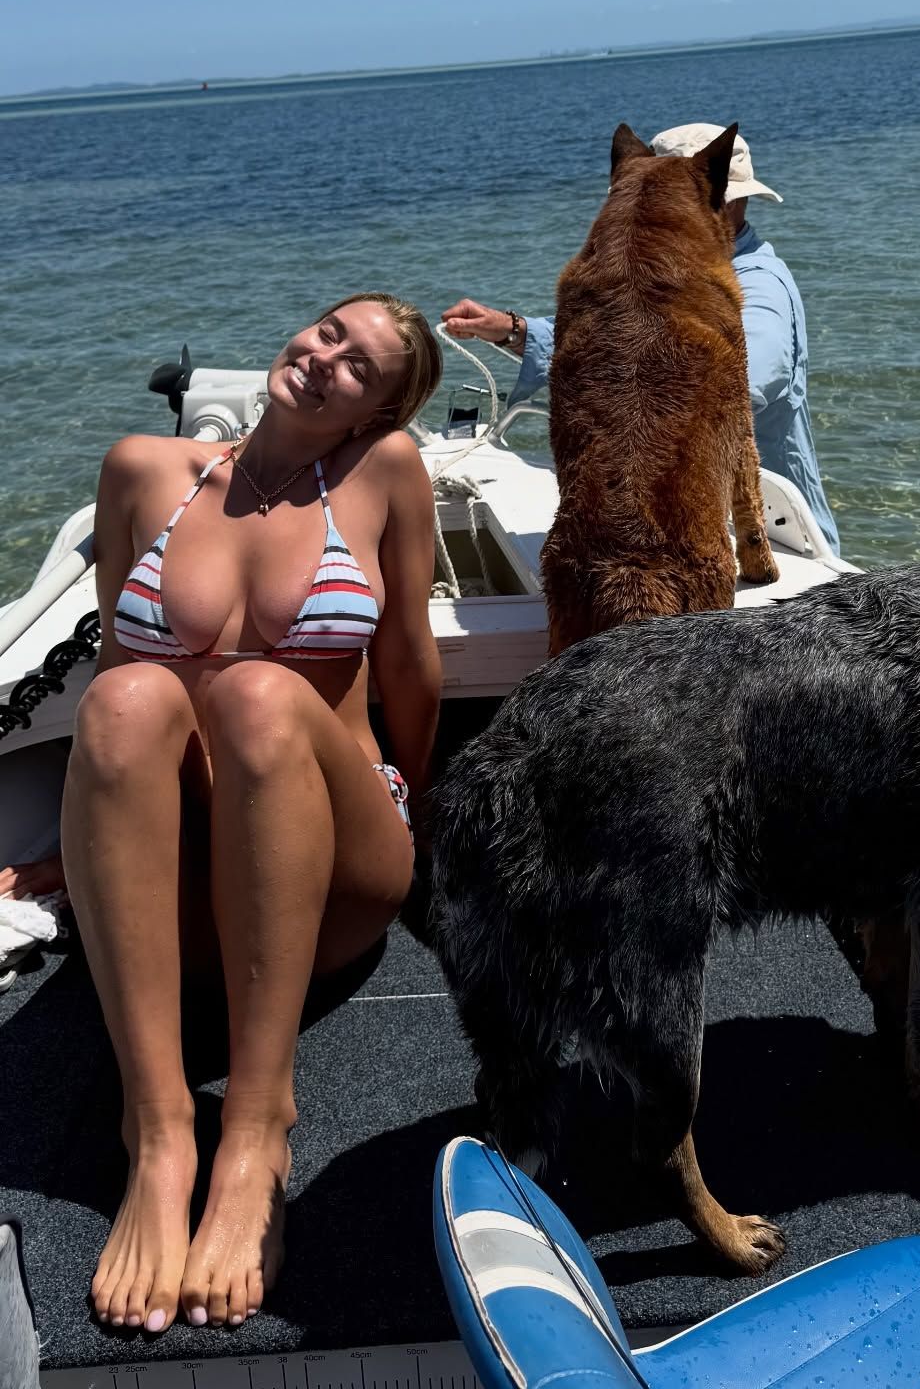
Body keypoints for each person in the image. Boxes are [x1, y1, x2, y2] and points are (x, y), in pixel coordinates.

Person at [61, 293, 442, 1336]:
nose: (325, 359)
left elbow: (409, 661)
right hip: (180, 896)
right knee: (129, 697)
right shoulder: (141, 470)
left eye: (359, 367)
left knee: (257, 694)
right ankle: (159, 1134)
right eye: (329, 333)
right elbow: (113, 671)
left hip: (332, 877)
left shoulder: (386, 472)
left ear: (378, 411)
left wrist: (432, 806)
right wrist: (72, 849)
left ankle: (257, 1129)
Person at [442, 123, 840, 553]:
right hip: (680, 509)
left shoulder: (760, 285)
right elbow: (633, 339)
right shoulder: (678, 268)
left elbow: (737, 380)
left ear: (718, 199)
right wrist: (513, 330)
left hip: (776, 530)